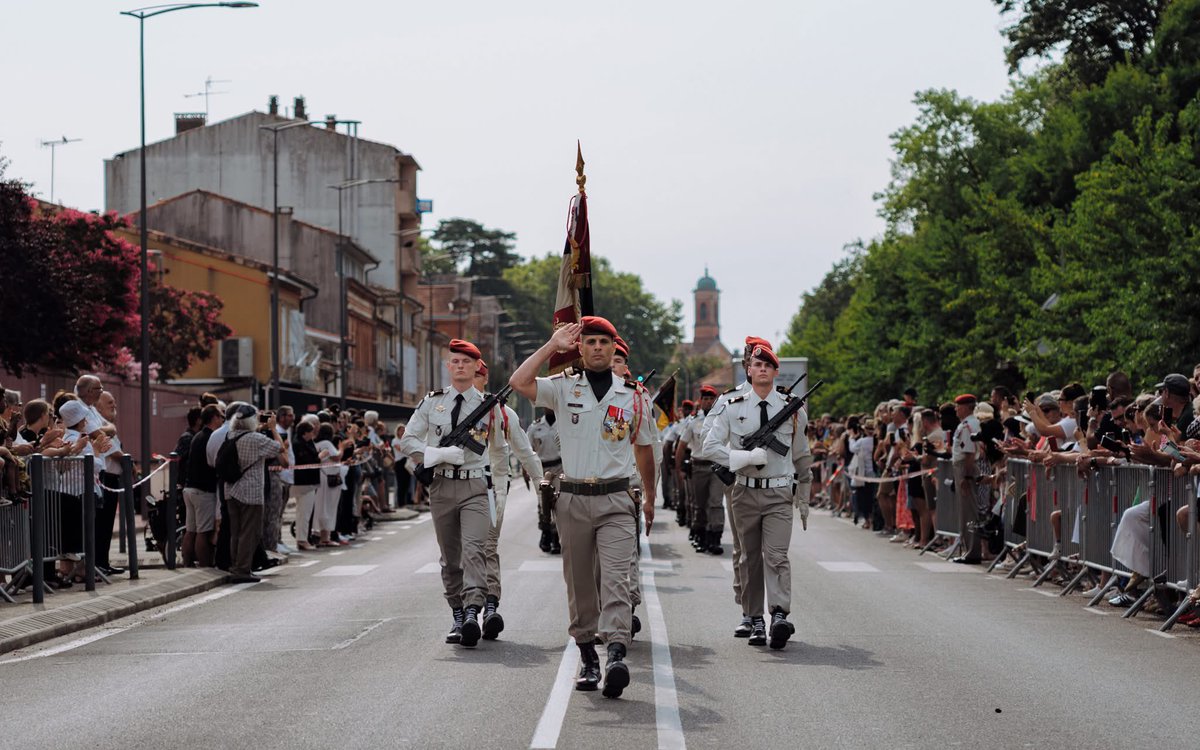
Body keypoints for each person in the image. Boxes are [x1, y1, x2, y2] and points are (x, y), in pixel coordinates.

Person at [510, 317, 657, 698]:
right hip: (573, 498)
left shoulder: (634, 396)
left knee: (616, 579)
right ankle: (588, 655)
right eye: (590, 342)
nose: (597, 348)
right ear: (580, 348)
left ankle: (617, 653)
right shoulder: (563, 388)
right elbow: (519, 383)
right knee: (579, 584)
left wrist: (651, 497)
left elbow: (644, 449)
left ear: (614, 348)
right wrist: (551, 345)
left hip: (616, 499)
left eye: (604, 342)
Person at [400, 338, 508, 649]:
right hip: (442, 485)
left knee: (474, 550)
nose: (460, 366)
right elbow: (407, 441)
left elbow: (500, 451)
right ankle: (458, 614)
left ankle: (473, 610)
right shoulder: (432, 402)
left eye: (466, 362)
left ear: (476, 367)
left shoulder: (490, 406)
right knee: (450, 558)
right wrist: (436, 455)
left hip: (475, 485)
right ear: (448, 367)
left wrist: (500, 490)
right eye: (455, 361)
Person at [703, 343, 810, 650]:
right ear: (748, 370)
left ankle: (779, 614)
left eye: (768, 366)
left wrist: (804, 495)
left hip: (778, 492)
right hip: (745, 491)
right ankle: (755, 618)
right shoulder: (732, 405)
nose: (762, 369)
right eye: (757, 365)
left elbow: (802, 455)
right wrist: (743, 458)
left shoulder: (793, 410)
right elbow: (710, 447)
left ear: (776, 372)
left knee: (776, 556)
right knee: (749, 558)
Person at [699, 336, 769, 636]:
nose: (758, 364)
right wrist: (737, 456)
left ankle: (775, 611)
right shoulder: (730, 399)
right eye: (753, 358)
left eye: (764, 360)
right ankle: (748, 610)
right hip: (739, 479)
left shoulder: (779, 398)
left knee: (773, 552)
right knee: (744, 547)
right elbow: (708, 437)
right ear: (745, 364)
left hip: (772, 480)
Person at [474, 359, 542, 640]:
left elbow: (526, 453)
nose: (470, 379)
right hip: (458, 489)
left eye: (476, 374)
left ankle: (490, 605)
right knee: (461, 553)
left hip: (492, 491)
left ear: (484, 378)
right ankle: (465, 612)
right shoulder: (446, 409)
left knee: (487, 547)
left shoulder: (502, 413)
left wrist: (542, 488)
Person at [220, 404, 288, 583]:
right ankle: (242, 570)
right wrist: (273, 429)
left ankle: (236, 566)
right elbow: (280, 448)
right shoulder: (256, 439)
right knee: (250, 533)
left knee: (236, 532)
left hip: (231, 490)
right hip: (251, 492)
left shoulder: (230, 435)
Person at [679, 384, 724, 554]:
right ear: (701, 400)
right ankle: (701, 535)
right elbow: (682, 445)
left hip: (716, 466)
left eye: (711, 399)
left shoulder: (722, 419)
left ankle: (715, 538)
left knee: (716, 503)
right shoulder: (693, 422)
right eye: (705, 399)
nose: (708, 402)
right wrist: (679, 468)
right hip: (698, 466)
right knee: (700, 504)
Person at [184, 404, 224, 567]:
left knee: (190, 530)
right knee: (203, 532)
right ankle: (205, 566)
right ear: (214, 418)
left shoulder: (197, 436)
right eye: (221, 416)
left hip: (190, 488)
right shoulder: (211, 437)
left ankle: (187, 564)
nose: (223, 420)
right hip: (203, 491)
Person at [950, 394, 983, 563]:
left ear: (965, 407)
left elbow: (969, 453)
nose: (956, 409)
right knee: (966, 511)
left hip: (965, 467)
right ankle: (968, 549)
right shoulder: (969, 423)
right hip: (963, 466)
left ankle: (972, 551)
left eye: (958, 406)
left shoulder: (968, 425)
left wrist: (967, 476)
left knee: (969, 511)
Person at [526, 409, 562, 553]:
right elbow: (527, 450)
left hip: (559, 468)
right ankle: (546, 532)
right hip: (541, 469)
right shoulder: (535, 427)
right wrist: (525, 470)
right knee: (543, 503)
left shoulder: (563, 423)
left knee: (558, 501)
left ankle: (556, 537)